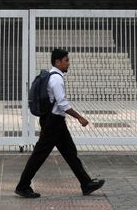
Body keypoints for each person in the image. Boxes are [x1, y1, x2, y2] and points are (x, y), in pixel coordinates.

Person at [15, 48, 105, 198]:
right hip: (53, 123)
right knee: (39, 155)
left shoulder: (54, 76)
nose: (68, 63)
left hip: (56, 122)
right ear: (58, 62)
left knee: (70, 153)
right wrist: (79, 117)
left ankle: (86, 183)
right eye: (66, 60)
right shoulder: (56, 79)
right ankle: (23, 186)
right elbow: (62, 103)